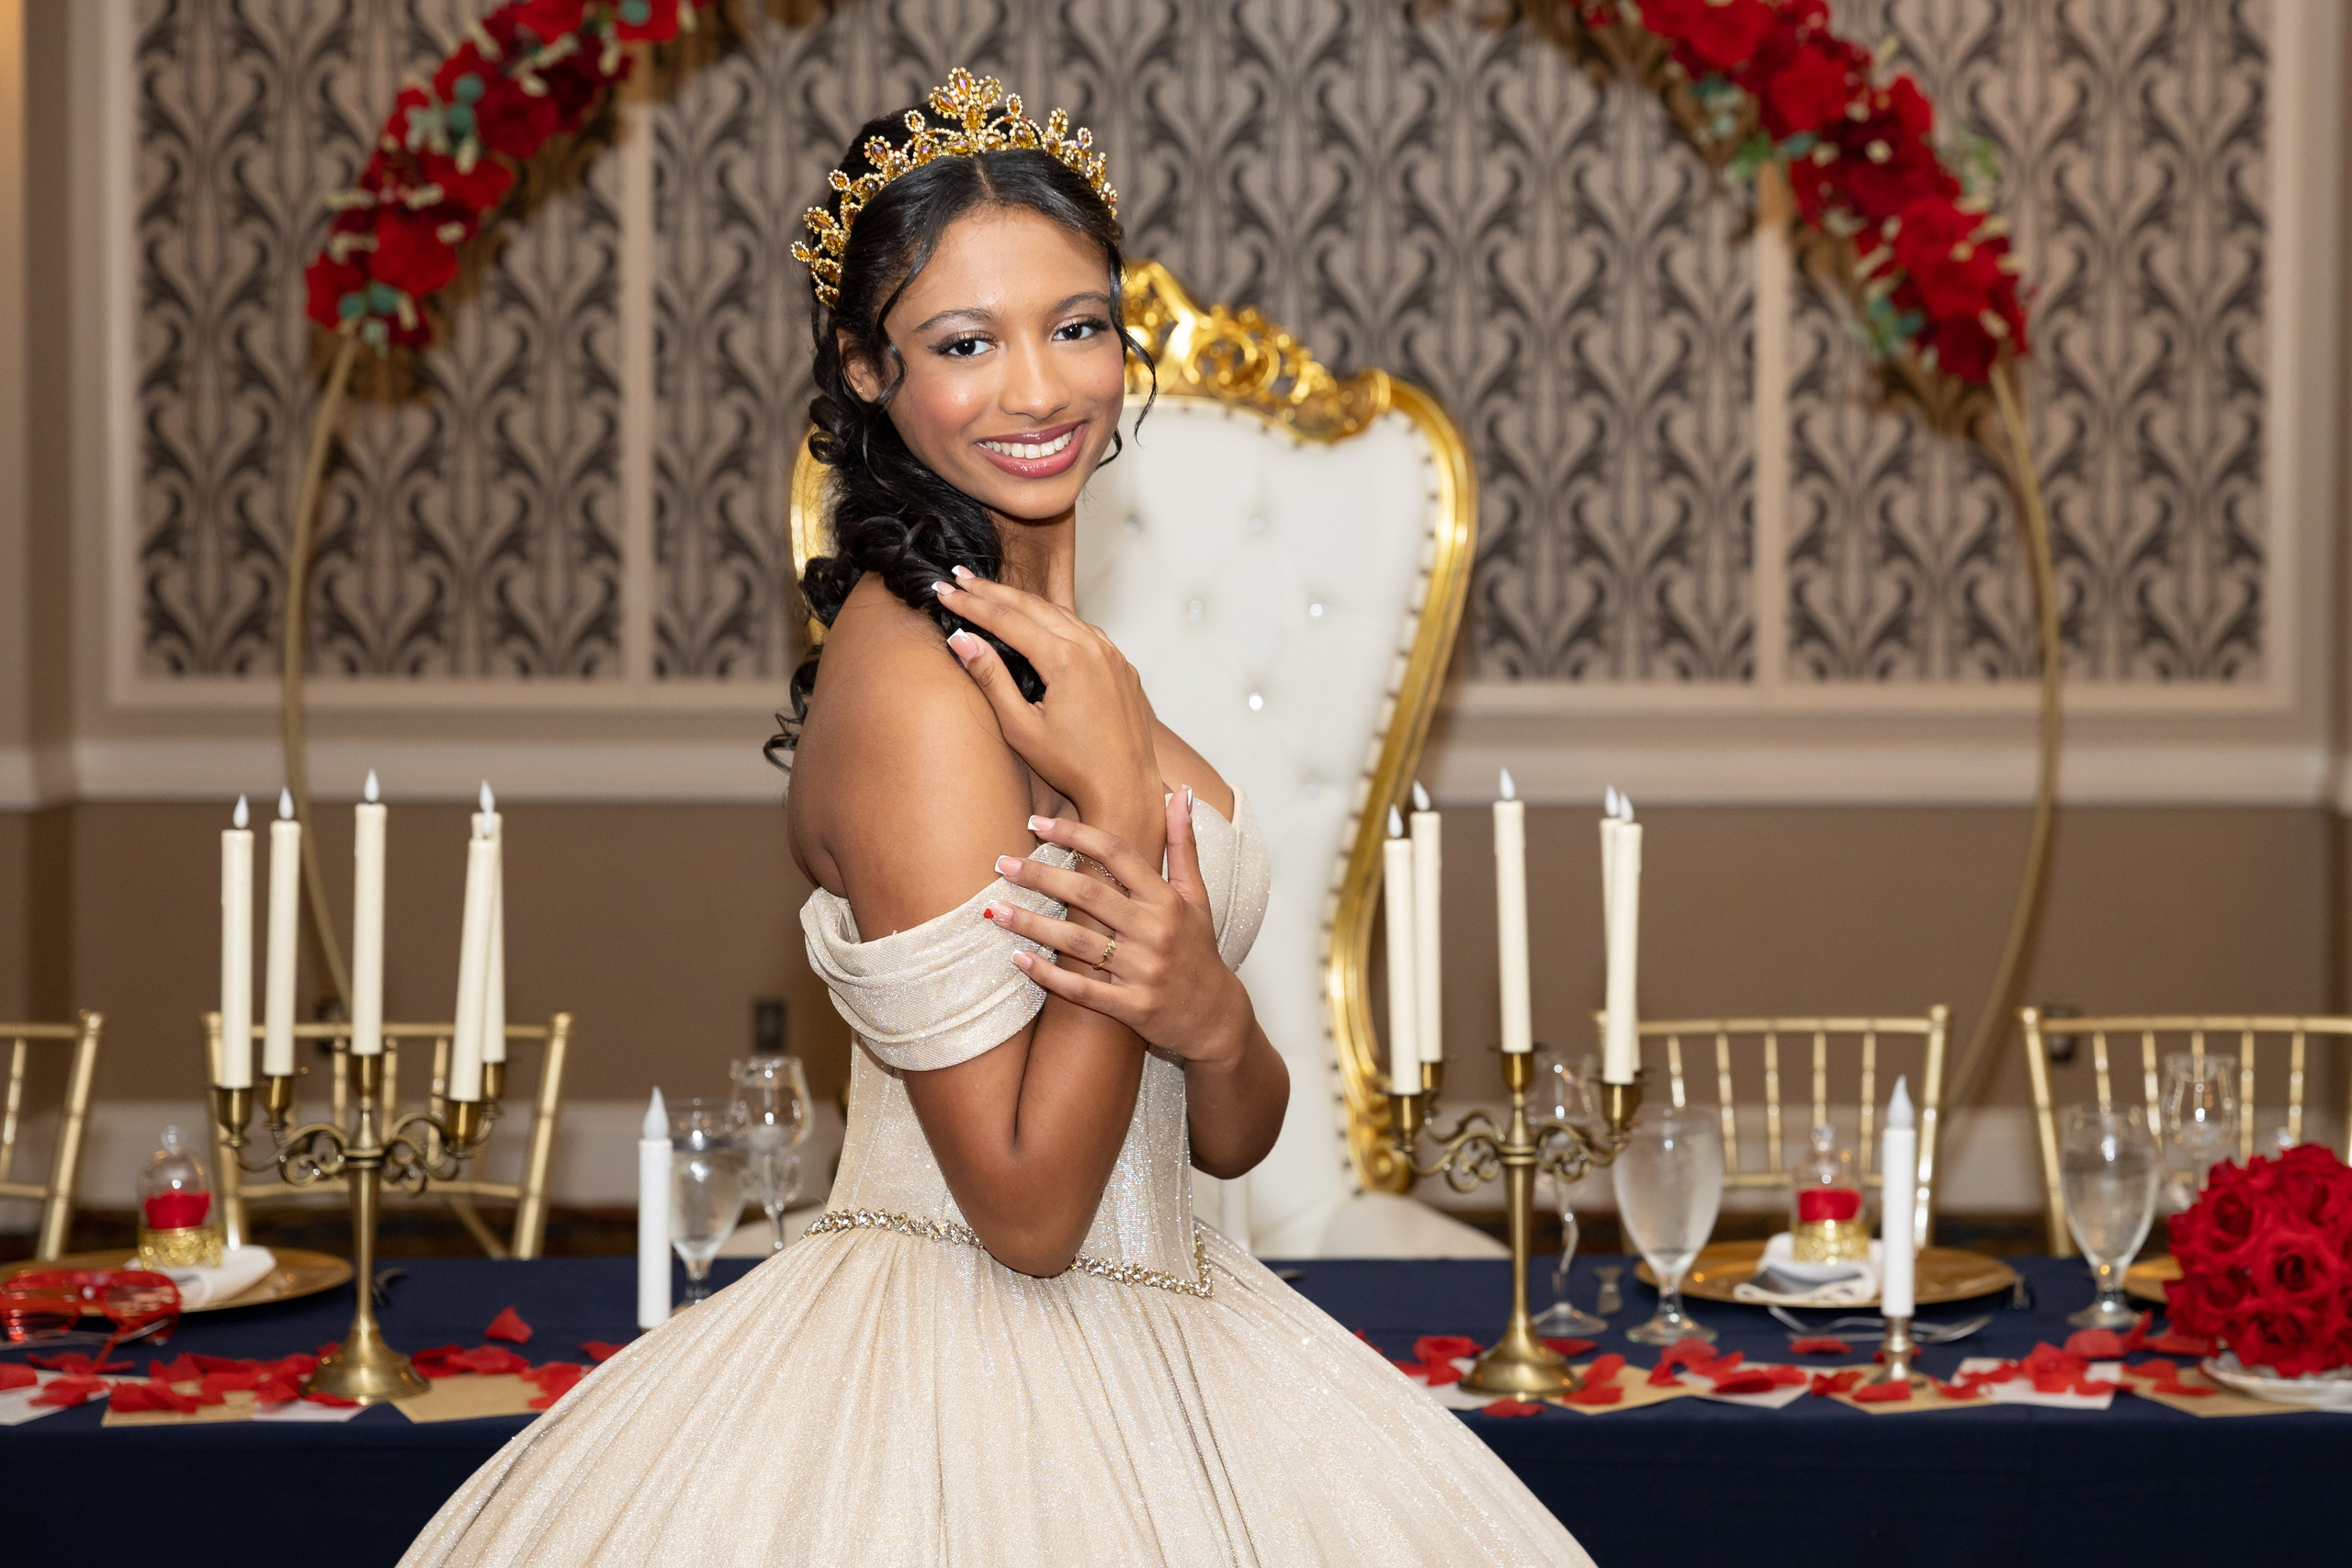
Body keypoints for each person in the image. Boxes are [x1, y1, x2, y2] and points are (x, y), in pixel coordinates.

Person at [401, 71, 1589, 1567]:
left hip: (1182, 1320)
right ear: (867, 369)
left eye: (1076, 325)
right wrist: (1115, 806)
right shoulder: (917, 688)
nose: (1041, 389)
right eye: (966, 343)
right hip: (968, 1374)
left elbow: (1229, 1137)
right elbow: (1026, 1213)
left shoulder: (1054, 657)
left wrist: (1214, 1019)